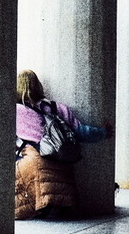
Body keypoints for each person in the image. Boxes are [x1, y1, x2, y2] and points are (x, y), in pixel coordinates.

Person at [13, 70, 110, 218]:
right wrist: (103, 132)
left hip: (33, 159)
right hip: (61, 159)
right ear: (38, 86)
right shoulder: (56, 107)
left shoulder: (15, 111)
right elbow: (81, 132)